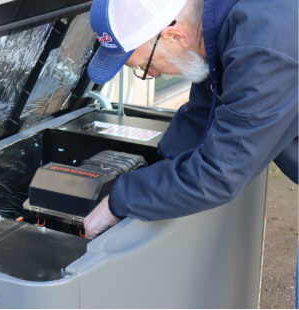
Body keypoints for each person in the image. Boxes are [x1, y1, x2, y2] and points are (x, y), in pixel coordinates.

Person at [82, 0, 298, 305]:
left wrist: (118, 200)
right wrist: (157, 170)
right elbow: (203, 112)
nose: (153, 76)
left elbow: (218, 172)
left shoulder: (263, 48)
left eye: (146, 67)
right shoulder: (217, 24)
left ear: (174, 36)